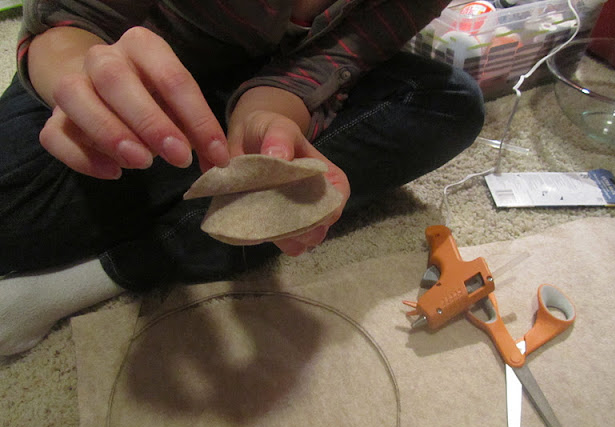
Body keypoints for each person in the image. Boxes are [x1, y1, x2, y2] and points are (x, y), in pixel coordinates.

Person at [0, 0, 485, 356]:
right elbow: (67, 19)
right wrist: (79, 75)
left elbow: (324, 65)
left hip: (262, 78)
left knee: (448, 104)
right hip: (115, 59)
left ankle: (103, 273)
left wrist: (268, 120)